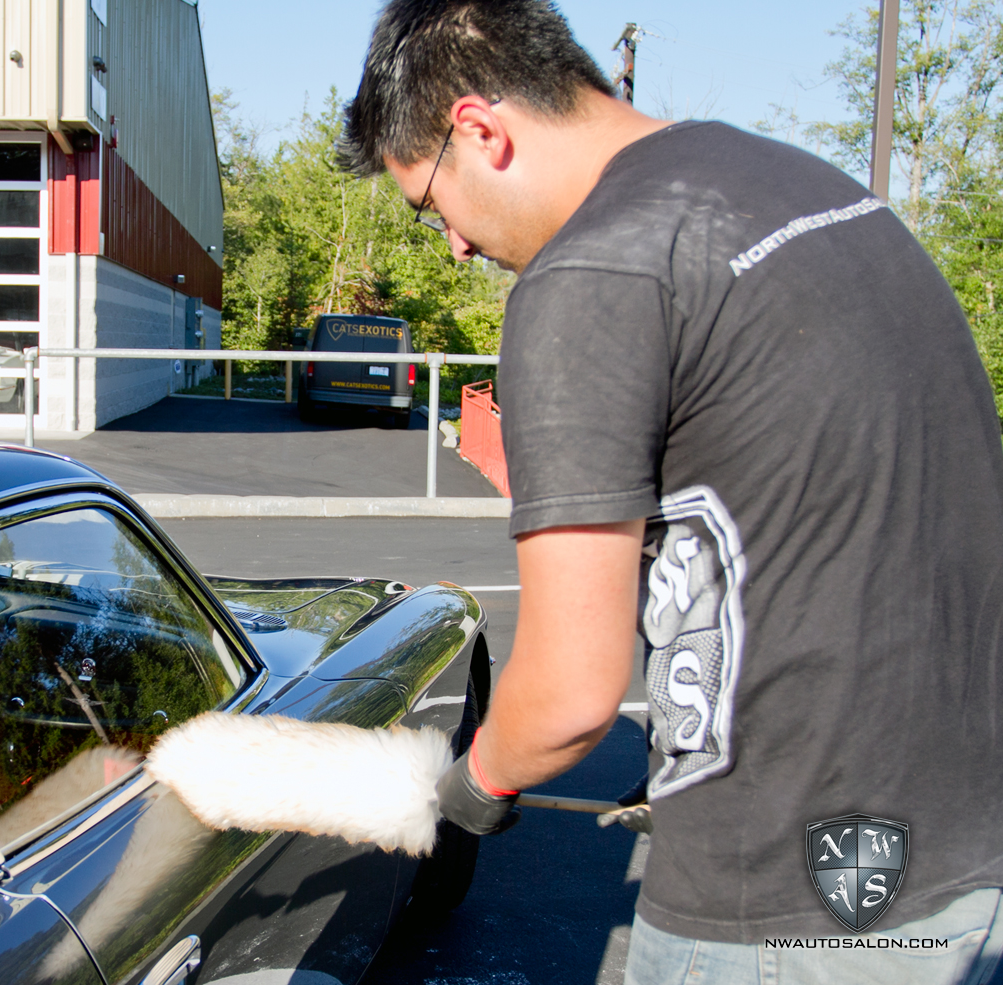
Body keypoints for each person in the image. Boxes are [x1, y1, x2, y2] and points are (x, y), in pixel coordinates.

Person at [339, 1, 1003, 981]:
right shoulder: (789, 183)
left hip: (781, 907)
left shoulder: (593, 276)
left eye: (433, 205)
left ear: (479, 130)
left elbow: (569, 696)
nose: (456, 246)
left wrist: (464, 789)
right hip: (957, 851)